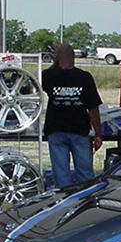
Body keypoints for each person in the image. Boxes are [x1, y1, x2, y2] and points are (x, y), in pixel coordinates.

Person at [42, 43, 103, 188]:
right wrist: (98, 133)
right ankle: (85, 197)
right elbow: (93, 108)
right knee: (85, 174)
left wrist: (56, 62)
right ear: (74, 56)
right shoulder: (84, 77)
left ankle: (65, 198)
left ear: (57, 58)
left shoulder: (48, 75)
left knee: (61, 174)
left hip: (56, 129)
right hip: (79, 130)